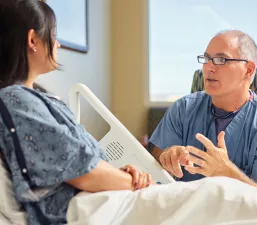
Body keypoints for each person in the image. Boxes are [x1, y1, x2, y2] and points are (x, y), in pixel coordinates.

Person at [0, 1, 153, 224]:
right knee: (217, 193)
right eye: (53, 34)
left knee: (215, 193)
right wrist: (133, 182)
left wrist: (122, 173)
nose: (58, 44)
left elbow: (80, 164)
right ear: (33, 40)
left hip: (104, 197)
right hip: (86, 207)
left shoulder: (39, 99)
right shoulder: (15, 101)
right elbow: (80, 172)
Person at [149, 29, 257, 195]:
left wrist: (227, 172)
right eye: (206, 59)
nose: (209, 68)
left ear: (248, 69)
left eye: (221, 59)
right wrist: (168, 156)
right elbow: (153, 165)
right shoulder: (182, 109)